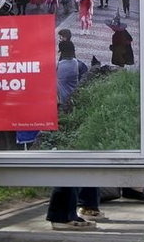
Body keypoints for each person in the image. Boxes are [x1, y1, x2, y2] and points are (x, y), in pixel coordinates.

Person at [46, 30, 100, 230]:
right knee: (77, 156)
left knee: (71, 156)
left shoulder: (57, 66)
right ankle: (74, 210)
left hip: (60, 111)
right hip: (77, 110)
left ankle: (74, 209)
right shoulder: (79, 65)